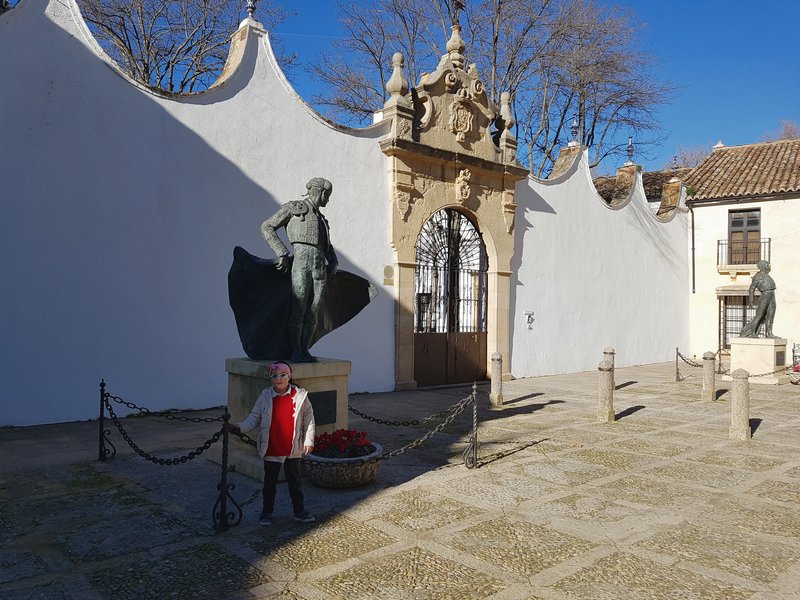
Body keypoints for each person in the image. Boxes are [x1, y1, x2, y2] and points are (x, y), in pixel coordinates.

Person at [261, 177, 338, 362]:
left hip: (319, 263)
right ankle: (295, 350)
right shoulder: (294, 208)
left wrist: (333, 260)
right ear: (320, 192)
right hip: (301, 259)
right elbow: (267, 227)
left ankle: (304, 349)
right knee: (300, 305)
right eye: (327, 195)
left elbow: (326, 245)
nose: (327, 200)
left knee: (314, 308)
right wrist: (281, 252)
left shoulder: (321, 219)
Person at [228, 362, 316, 525]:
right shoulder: (265, 396)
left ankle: (299, 511)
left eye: (283, 375)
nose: (279, 379)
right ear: (270, 378)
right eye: (274, 376)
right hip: (272, 446)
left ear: (289, 376)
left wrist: (308, 440)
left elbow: (308, 420)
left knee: (294, 482)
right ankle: (267, 512)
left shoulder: (300, 396)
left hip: (292, 447)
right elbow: (254, 417)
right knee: (269, 483)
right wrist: (239, 427)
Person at [739, 260, 779, 338]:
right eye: (767, 265)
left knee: (771, 315)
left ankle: (770, 333)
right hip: (765, 295)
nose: (769, 266)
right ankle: (753, 333)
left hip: (771, 294)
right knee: (759, 315)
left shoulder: (767, 276)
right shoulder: (757, 276)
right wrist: (751, 300)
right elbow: (751, 289)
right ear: (763, 266)